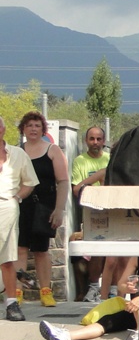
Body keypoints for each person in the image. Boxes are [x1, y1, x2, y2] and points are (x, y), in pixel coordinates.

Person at [15, 111, 69, 308]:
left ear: (43, 129)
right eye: (29, 125)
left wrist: (59, 209)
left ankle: (45, 292)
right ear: (23, 129)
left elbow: (63, 182)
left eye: (37, 125)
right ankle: (17, 292)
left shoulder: (53, 150)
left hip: (45, 205)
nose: (33, 129)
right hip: (21, 205)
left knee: (41, 249)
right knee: (20, 248)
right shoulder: (17, 151)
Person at [0, 116, 39, 322]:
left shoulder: (18, 154)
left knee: (7, 258)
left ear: (3, 130)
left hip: (7, 204)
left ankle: (11, 304)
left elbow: (30, 182)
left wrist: (16, 197)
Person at [70, 125, 109, 301]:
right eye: (92, 139)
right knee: (88, 249)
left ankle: (109, 290)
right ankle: (88, 290)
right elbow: (77, 190)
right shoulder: (80, 161)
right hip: (89, 214)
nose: (95, 143)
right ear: (86, 141)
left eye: (99, 139)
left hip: (110, 214)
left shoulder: (110, 159)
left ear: (104, 141)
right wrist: (98, 179)